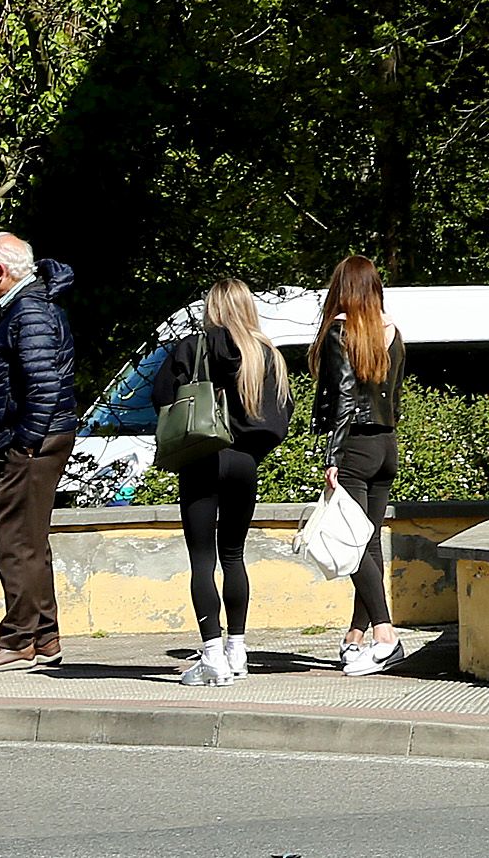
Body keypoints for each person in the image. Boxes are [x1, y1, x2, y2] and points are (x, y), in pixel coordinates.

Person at [153, 276, 294, 687]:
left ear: (211, 308)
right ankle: (238, 650)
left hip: (201, 459)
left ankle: (211, 655)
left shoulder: (192, 349)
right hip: (244, 463)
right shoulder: (267, 355)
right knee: (234, 556)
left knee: (202, 559)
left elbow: (161, 395)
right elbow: (278, 417)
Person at [0, 232, 80, 672]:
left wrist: (24, 444)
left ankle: (17, 639)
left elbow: (42, 385)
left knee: (16, 542)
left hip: (34, 442)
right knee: (32, 540)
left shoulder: (28, 310)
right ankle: (44, 635)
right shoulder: (28, 307)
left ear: (0, 271)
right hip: (41, 438)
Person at [311, 255, 409, 676]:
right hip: (386, 444)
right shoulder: (392, 330)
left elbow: (345, 397)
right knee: (365, 543)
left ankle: (386, 636)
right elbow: (396, 396)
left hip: (355, 447)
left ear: (343, 287)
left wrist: (332, 456)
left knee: (353, 544)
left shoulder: (340, 330)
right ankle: (356, 636)